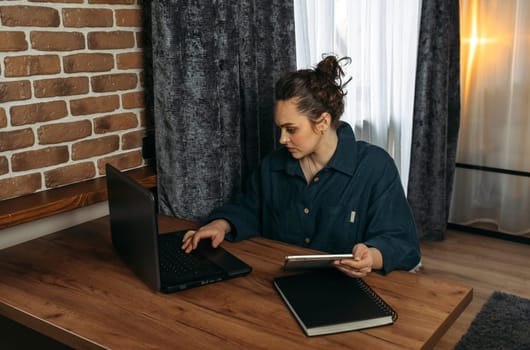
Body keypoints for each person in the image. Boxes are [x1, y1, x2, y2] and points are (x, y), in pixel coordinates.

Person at [182, 55, 421, 277]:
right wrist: (220, 225)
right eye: (280, 128)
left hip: (349, 292)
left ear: (323, 122)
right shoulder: (272, 167)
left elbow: (404, 244)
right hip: (276, 286)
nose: (282, 139)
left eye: (291, 129)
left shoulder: (375, 168)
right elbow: (249, 209)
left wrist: (372, 257)